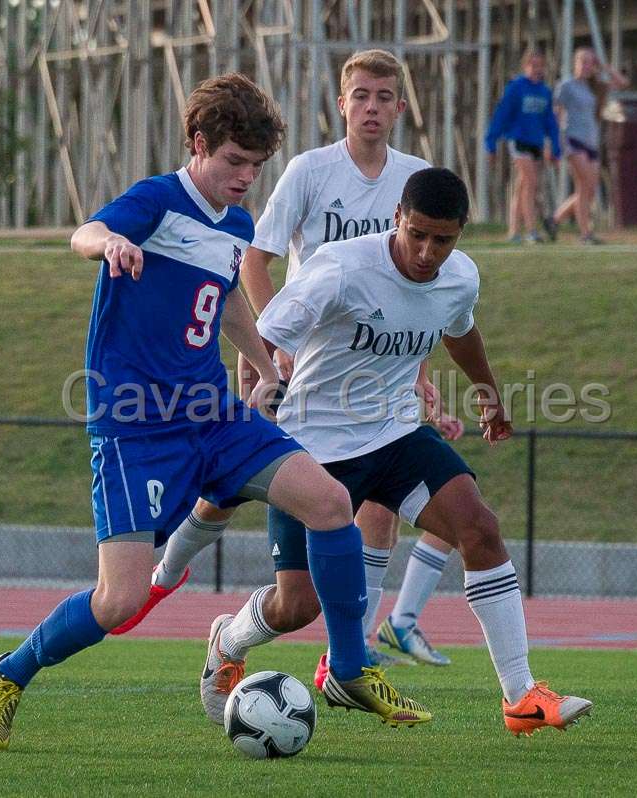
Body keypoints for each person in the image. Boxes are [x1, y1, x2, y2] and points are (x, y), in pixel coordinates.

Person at [0, 73, 424, 751]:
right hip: (136, 424)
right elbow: (84, 233)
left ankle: (352, 668)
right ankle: (10, 672)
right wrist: (111, 245)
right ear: (198, 144)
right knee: (119, 603)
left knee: (329, 503)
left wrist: (268, 365)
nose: (246, 178)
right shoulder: (157, 200)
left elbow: (227, 299)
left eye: (255, 166)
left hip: (213, 413)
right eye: (234, 162)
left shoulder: (235, 224)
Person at [114, 50, 465, 675]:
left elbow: (418, 291)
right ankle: (166, 573)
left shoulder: (416, 180)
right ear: (342, 103)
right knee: (231, 484)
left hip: (376, 373)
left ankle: (345, 658)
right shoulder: (309, 171)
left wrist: (420, 374)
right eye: (361, 95)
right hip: (306, 362)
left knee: (377, 506)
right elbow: (254, 258)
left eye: (384, 97)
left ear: (401, 107)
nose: (372, 108)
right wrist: (274, 349)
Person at [222, 167, 593, 736]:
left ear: (460, 234)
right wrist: (255, 404)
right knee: (296, 607)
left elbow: (459, 330)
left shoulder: (459, 278)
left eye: (441, 240)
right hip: (313, 449)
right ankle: (229, 639)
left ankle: (521, 696)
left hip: (396, 435)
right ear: (397, 217)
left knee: (480, 528)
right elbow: (261, 335)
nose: (426, 251)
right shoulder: (341, 269)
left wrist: (489, 396)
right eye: (416, 234)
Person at [551, 47, 628, 245]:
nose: (586, 66)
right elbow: (556, 113)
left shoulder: (595, 87)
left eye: (590, 62)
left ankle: (554, 220)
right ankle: (585, 233)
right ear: (575, 63)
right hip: (573, 141)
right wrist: (554, 144)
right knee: (586, 185)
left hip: (591, 142)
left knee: (589, 189)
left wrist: (605, 68)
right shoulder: (566, 86)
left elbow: (622, 84)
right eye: (583, 61)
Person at [484, 50, 560, 243]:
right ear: (525, 66)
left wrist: (555, 147)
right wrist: (491, 143)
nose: (536, 69)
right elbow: (502, 114)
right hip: (518, 141)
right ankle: (532, 230)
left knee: (523, 186)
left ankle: (513, 231)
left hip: (536, 143)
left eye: (540, 65)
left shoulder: (544, 91)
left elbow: (550, 121)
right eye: (532, 65)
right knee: (531, 183)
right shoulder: (516, 88)